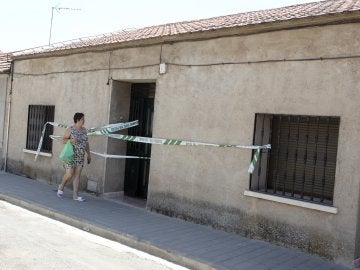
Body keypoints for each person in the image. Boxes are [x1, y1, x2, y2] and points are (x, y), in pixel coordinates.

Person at [57, 113, 91, 201]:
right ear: (78, 120)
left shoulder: (84, 130)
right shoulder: (70, 129)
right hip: (70, 155)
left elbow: (86, 143)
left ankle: (75, 196)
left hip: (80, 156)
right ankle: (61, 186)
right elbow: (63, 140)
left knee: (77, 175)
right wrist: (71, 140)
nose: (84, 121)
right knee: (69, 173)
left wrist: (89, 154)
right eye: (83, 119)